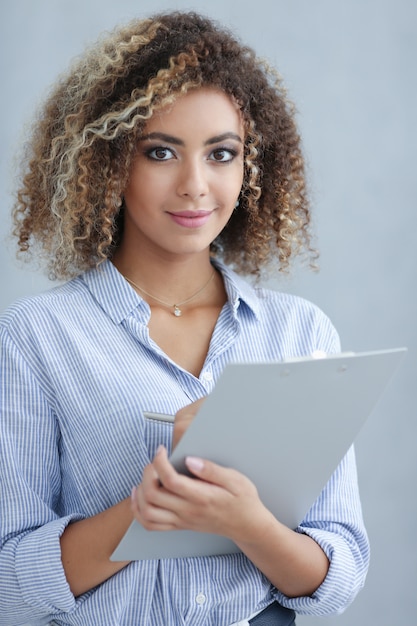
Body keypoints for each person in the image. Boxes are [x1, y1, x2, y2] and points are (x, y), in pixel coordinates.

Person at [0, 11, 370, 626]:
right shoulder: (36, 337)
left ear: (251, 169)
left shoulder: (301, 332)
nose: (196, 185)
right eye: (161, 152)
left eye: (221, 153)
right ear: (107, 165)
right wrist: (148, 510)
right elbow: (9, 585)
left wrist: (248, 524)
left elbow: (340, 576)